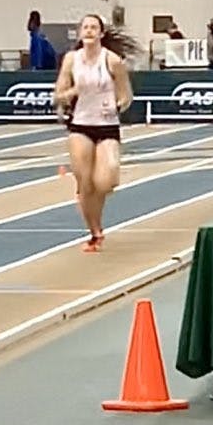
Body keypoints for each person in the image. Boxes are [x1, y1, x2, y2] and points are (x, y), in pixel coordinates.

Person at [54, 14, 136, 252]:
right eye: (85, 27)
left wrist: (117, 104)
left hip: (107, 125)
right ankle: (95, 231)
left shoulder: (112, 61)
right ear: (80, 33)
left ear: (101, 33)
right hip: (81, 125)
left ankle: (95, 216)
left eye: (94, 27)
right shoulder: (71, 60)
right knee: (85, 183)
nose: (89, 31)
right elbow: (58, 94)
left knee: (105, 181)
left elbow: (126, 95)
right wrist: (71, 92)